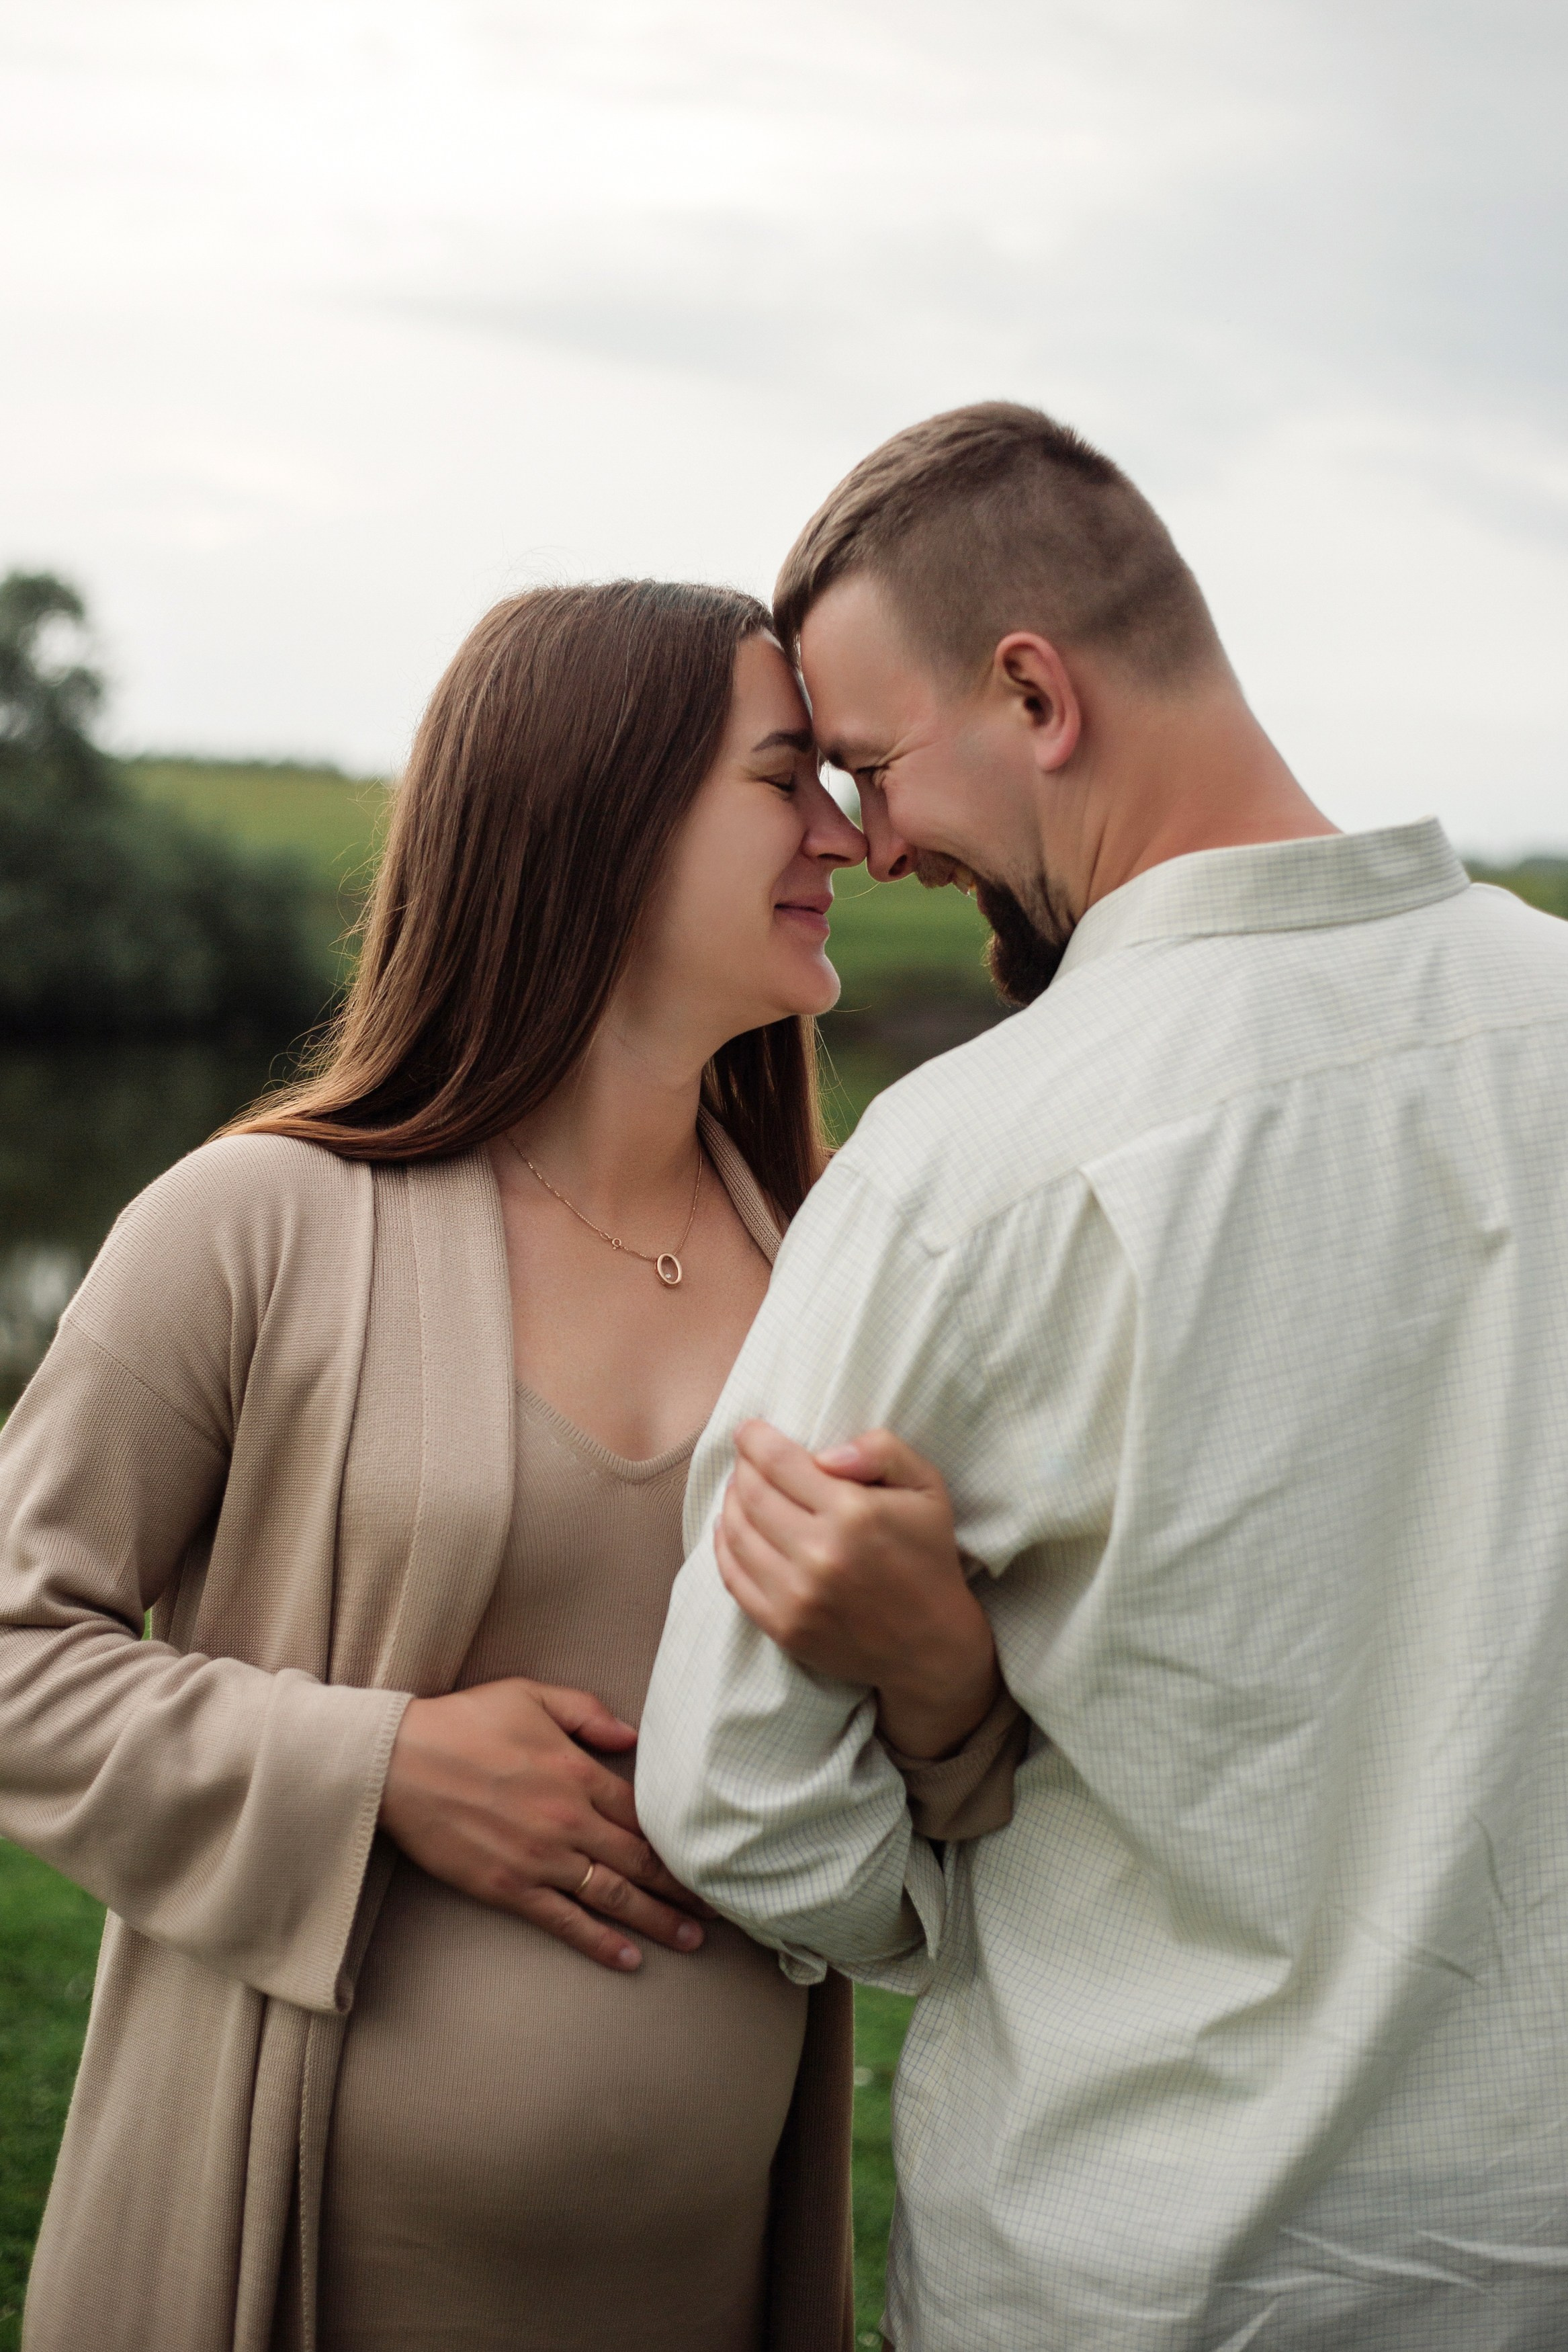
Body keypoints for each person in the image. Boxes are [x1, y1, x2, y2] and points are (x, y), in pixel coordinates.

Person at [638, 403, 1568, 2351]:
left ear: (1037, 694)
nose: (871, 844)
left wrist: (977, 1838)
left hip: (1137, 2278)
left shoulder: (959, 1167)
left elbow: (734, 1796)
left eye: (875, 770)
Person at [0, 579, 1006, 2352]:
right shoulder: (258, 1228)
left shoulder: (846, 1264)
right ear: (600, 815)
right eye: (787, 779)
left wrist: (939, 1672)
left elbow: (970, 1789)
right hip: (293, 2274)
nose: (845, 835)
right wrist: (377, 1765)